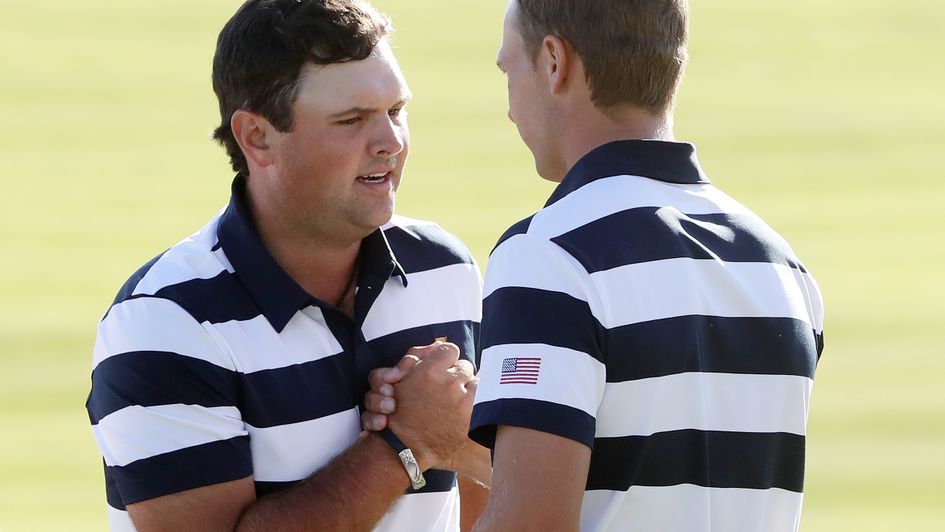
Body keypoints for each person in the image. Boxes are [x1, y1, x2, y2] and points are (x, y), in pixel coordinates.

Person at [366, 0, 825, 530]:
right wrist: (460, 440)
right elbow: (659, 476)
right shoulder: (782, 266)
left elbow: (531, 523)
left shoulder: (548, 254)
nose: (510, 106)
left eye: (509, 68)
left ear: (555, 62)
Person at [85, 0, 489, 530]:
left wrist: (455, 439)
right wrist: (404, 444)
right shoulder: (165, 325)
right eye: (351, 120)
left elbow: (478, 500)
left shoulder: (446, 269)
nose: (391, 143)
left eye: (396, 111)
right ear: (256, 137)